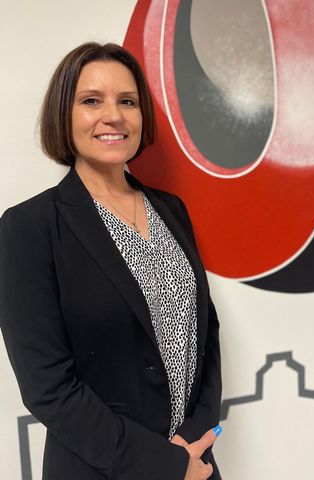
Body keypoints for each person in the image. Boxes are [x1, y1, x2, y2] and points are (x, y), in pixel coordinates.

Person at [0, 42, 222, 480]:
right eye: (91, 101)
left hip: (195, 463)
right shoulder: (28, 228)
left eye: (128, 101)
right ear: (64, 114)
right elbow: (49, 388)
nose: (114, 116)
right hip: (102, 469)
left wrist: (195, 443)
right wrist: (166, 466)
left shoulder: (171, 210)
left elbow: (205, 333)